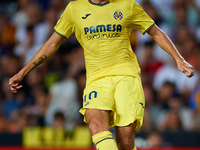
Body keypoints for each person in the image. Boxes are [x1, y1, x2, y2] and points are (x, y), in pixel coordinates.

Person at [9, 0, 195, 150]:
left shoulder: (127, 5)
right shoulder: (75, 8)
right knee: (96, 124)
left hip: (126, 76)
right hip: (96, 79)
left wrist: (179, 59)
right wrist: (23, 71)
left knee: (126, 141)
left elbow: (156, 32)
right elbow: (51, 44)